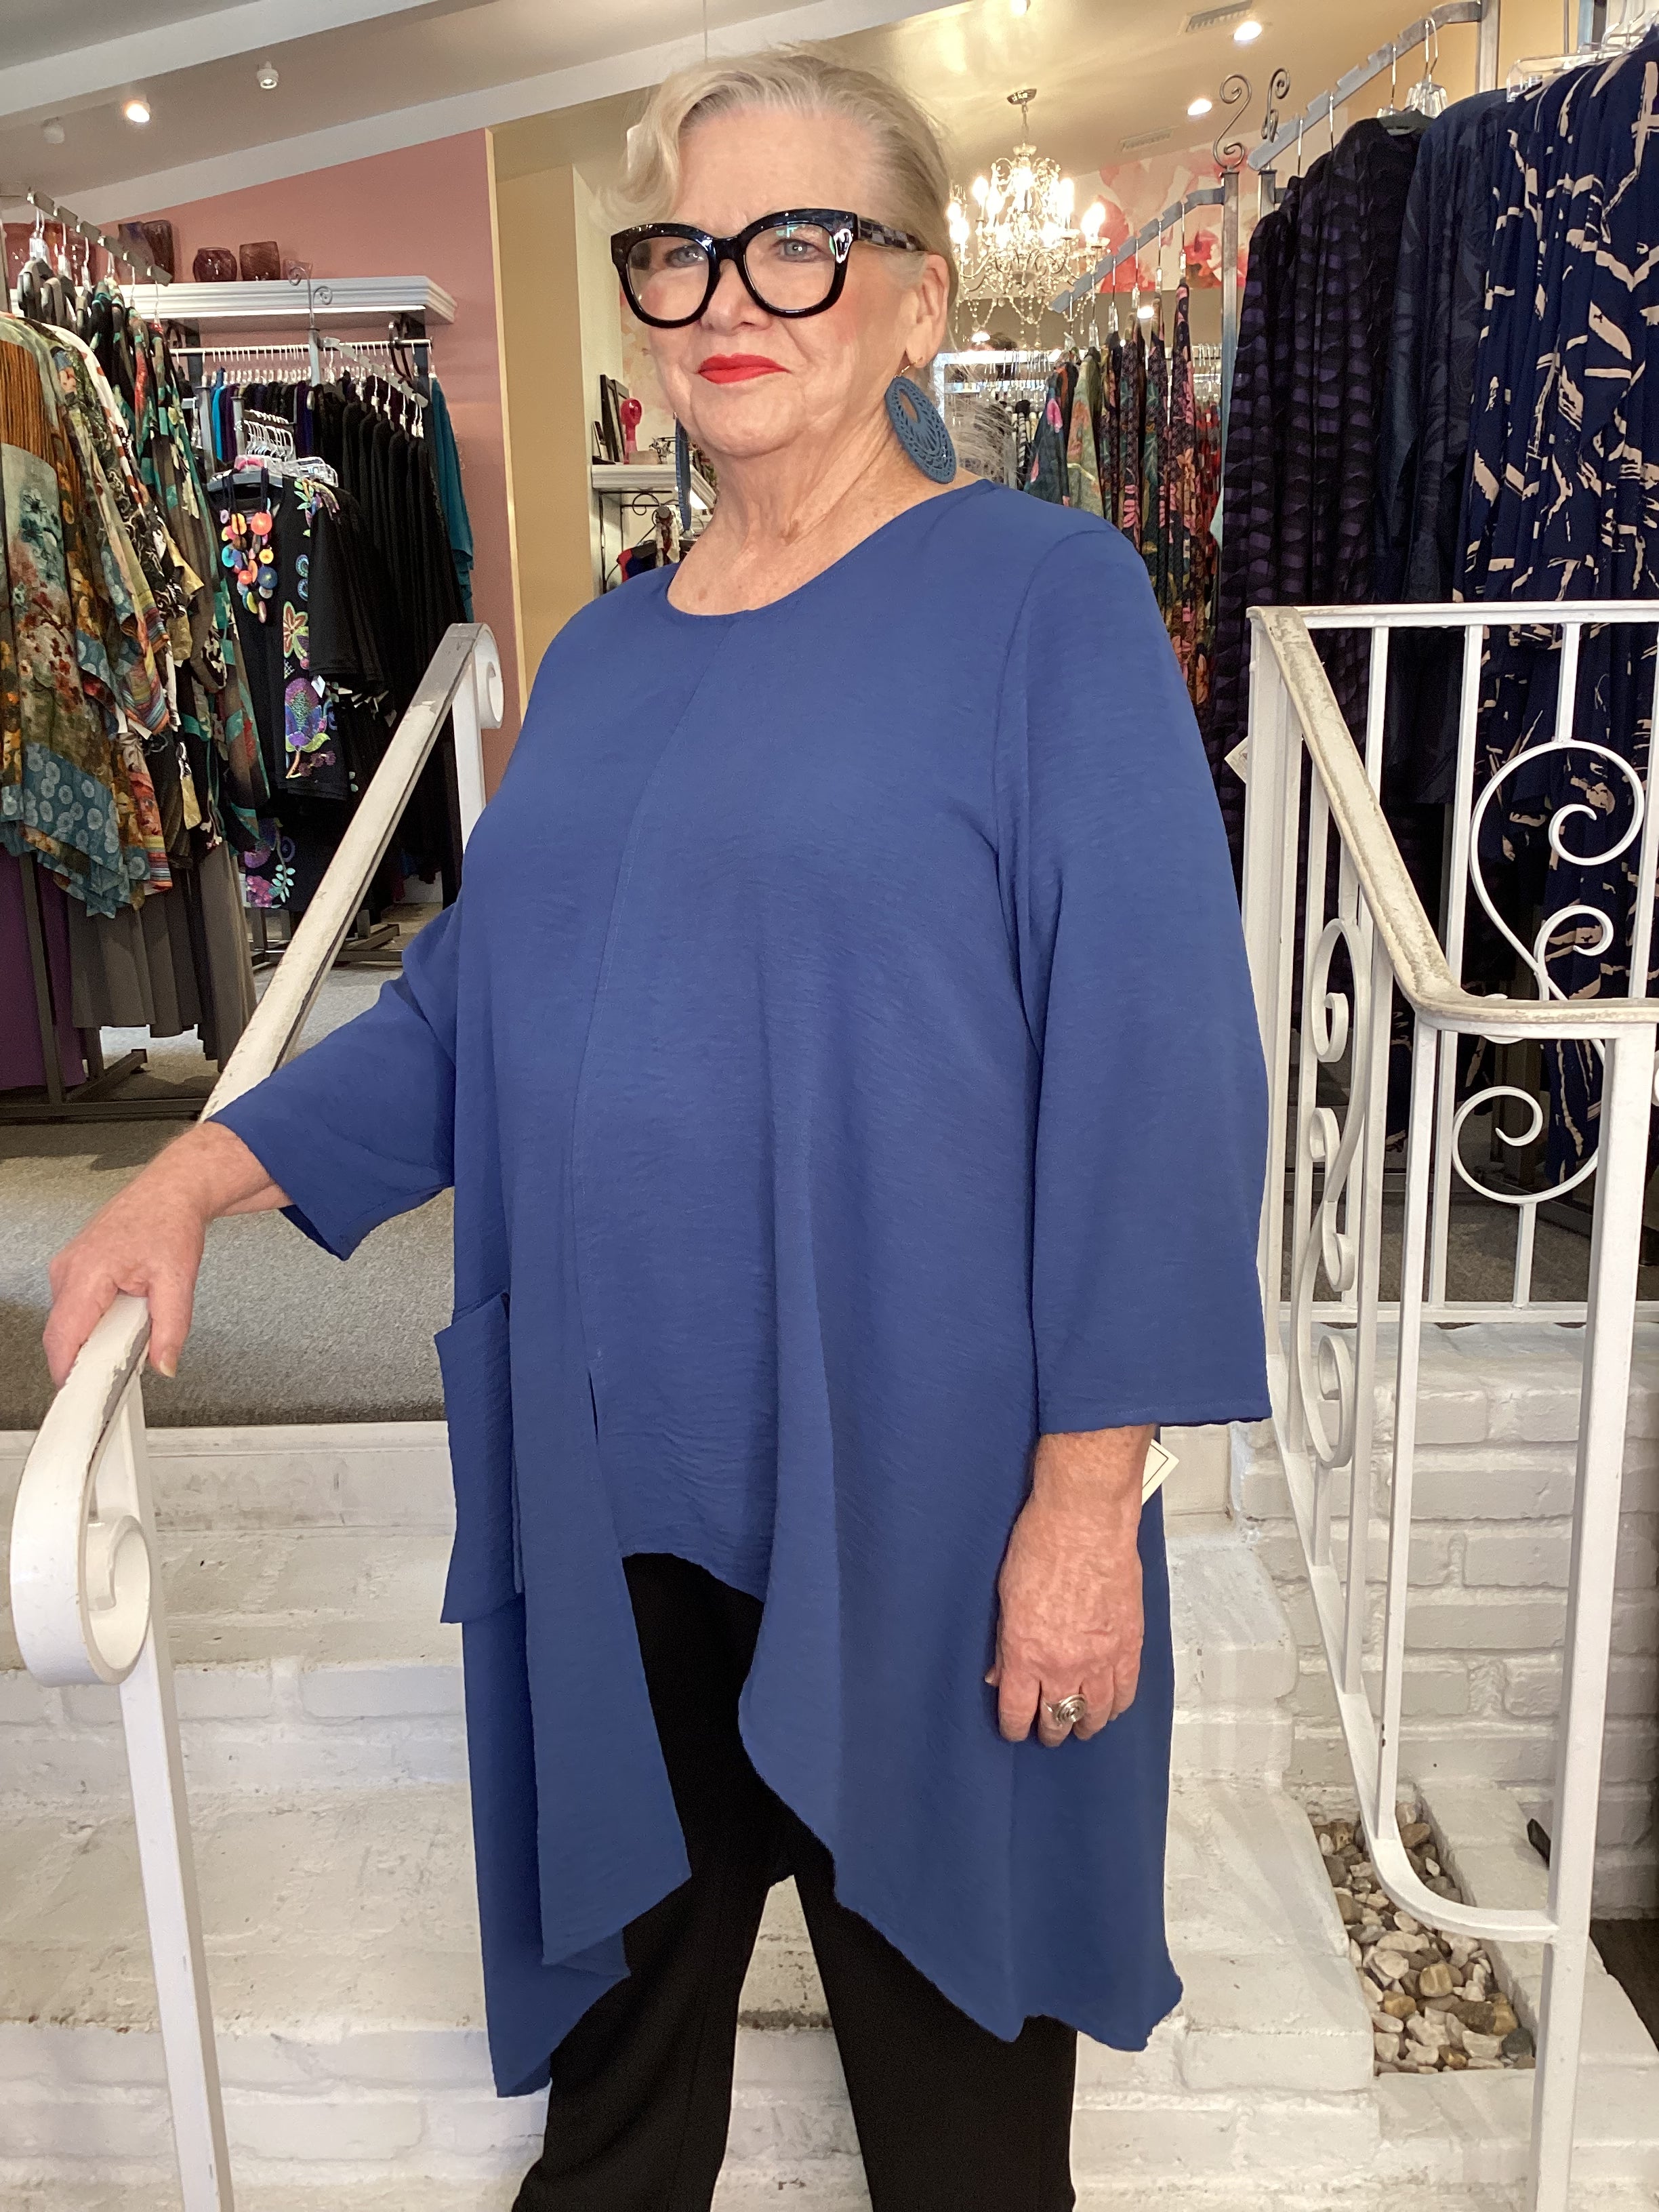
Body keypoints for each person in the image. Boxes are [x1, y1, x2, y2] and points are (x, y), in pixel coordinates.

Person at [44, 49, 1270, 2212]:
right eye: (684, 250)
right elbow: (472, 1013)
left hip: (927, 1501)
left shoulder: (1044, 601)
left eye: (803, 242)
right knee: (615, 2124)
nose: (733, 296)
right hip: (616, 1497)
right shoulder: (602, 661)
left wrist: (1089, 1503)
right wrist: (192, 1174)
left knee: (967, 2137)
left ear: (918, 290)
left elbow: (1157, 1064)